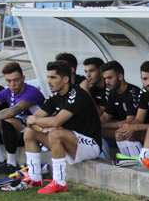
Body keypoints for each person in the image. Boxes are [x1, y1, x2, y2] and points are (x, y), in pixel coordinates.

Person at [15, 61, 102, 193]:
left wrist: (37, 121)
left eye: (53, 77)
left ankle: (59, 182)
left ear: (65, 79)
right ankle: (34, 177)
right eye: (48, 77)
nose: (48, 81)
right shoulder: (55, 96)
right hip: (69, 142)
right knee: (29, 132)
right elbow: (31, 122)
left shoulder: (76, 94)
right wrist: (42, 129)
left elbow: (55, 121)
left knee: (55, 133)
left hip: (90, 145)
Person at [0, 63, 47, 174]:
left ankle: (11, 164)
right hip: (22, 129)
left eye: (16, 80)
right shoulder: (8, 91)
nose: (12, 84)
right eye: (8, 81)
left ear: (23, 78)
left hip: (39, 130)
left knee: (7, 120)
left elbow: (12, 112)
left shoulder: (31, 92)